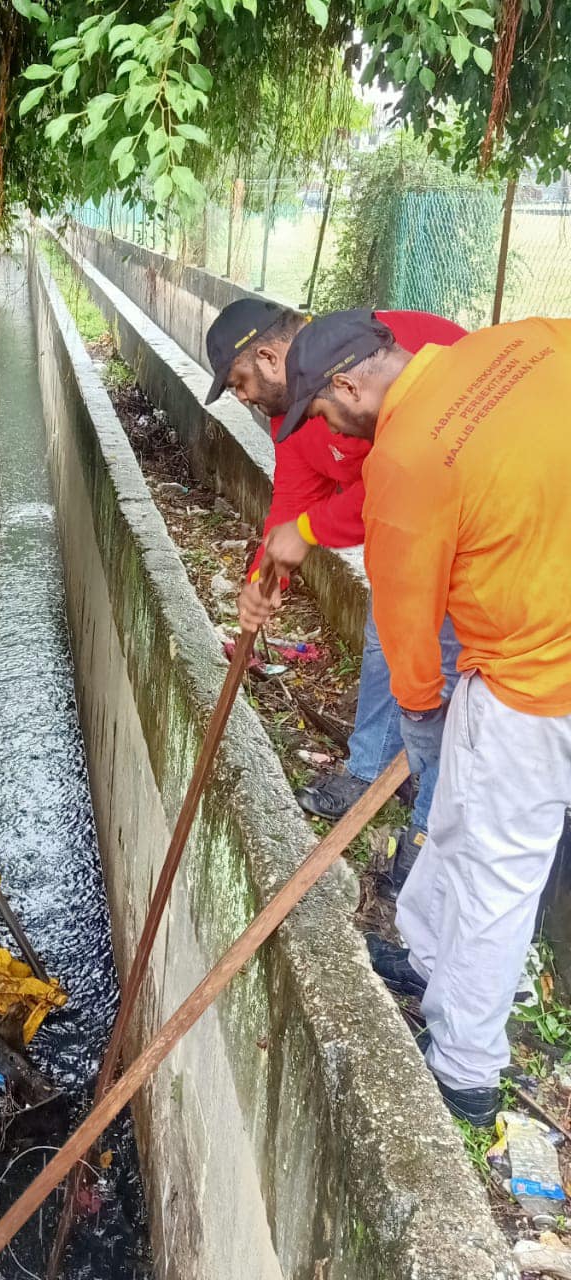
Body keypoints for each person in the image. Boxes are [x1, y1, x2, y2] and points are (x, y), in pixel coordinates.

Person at [251, 309, 571, 1126]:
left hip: (533, 686)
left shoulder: (403, 460)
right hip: (522, 658)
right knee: (459, 827)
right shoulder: (522, 341)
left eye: (322, 410)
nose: (326, 429)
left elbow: (406, 636)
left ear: (350, 385)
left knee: (500, 871)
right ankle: (427, 957)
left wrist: (423, 722)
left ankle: (464, 1070)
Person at [204, 298, 466, 895]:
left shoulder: (398, 352)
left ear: (270, 357)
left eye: (241, 381)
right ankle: (371, 768)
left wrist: (310, 532)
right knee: (386, 641)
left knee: (446, 687)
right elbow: (294, 497)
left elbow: (405, 481)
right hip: (403, 552)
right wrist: (260, 582)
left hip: (468, 545)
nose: (242, 397)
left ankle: (428, 834)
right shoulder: (288, 413)